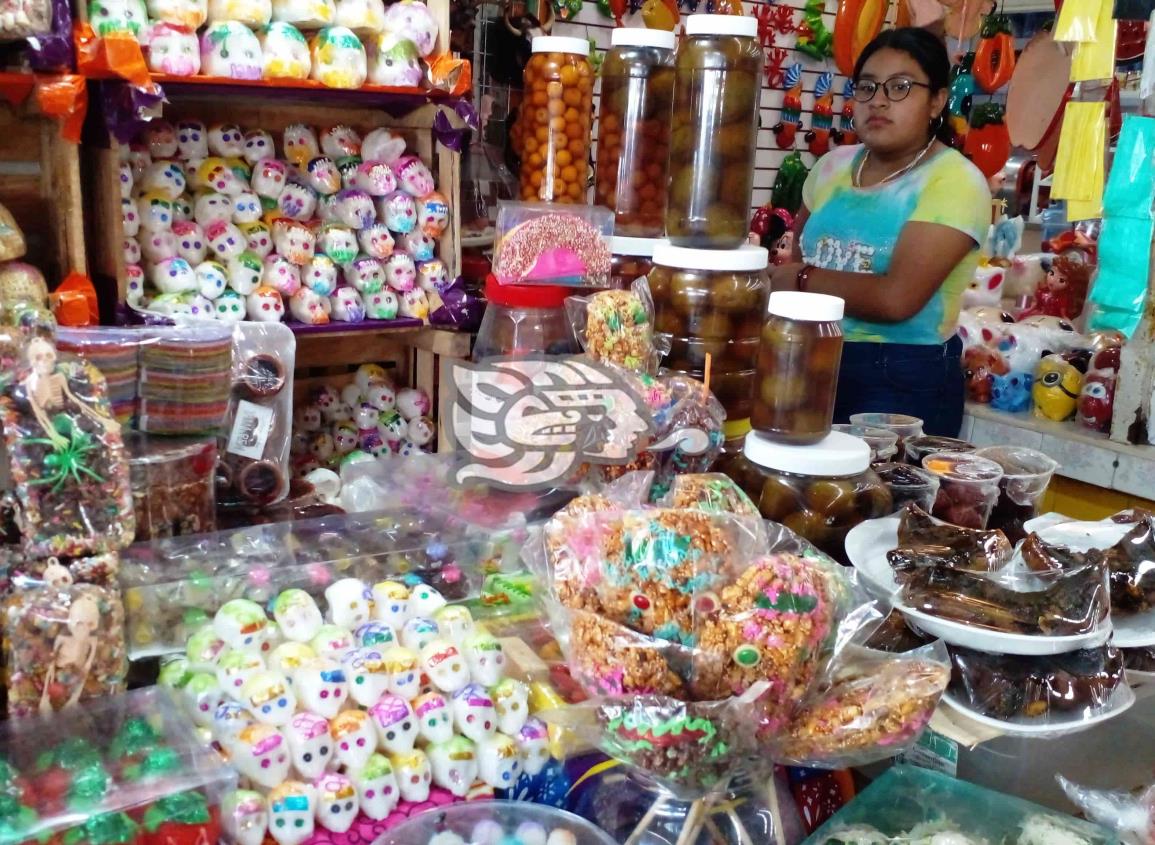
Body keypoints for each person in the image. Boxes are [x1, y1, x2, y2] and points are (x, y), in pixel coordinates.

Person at [770, 27, 990, 436]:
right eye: (867, 87)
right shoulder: (832, 167)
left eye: (901, 87)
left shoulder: (954, 181)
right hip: (811, 358)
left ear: (937, 101)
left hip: (902, 377)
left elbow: (897, 299)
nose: (880, 101)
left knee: (882, 496)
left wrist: (801, 280)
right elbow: (798, 252)